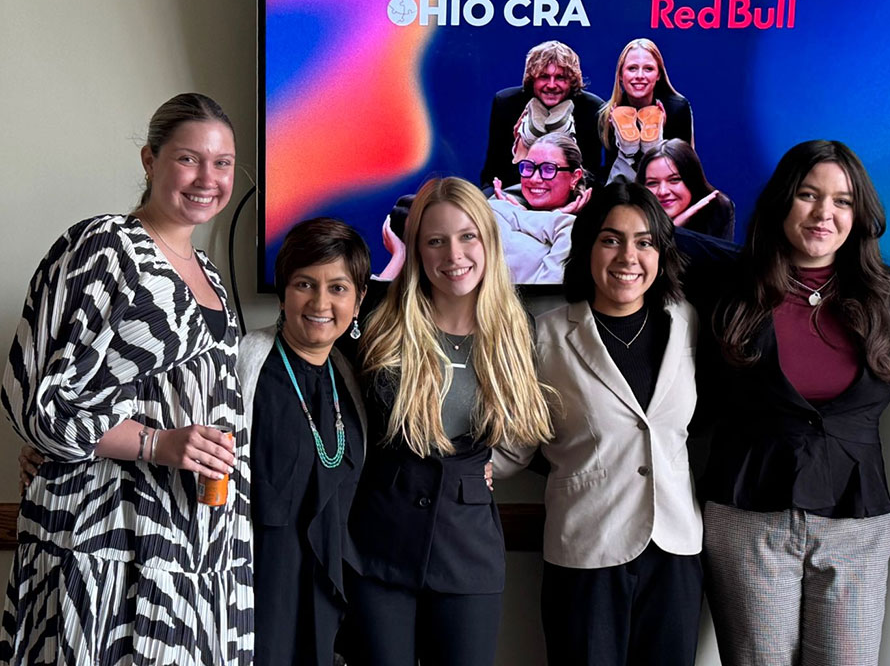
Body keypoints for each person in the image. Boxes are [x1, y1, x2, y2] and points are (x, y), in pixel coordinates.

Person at [0, 94, 252, 665]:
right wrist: (155, 443)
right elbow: (39, 403)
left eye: (223, 162)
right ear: (149, 160)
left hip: (194, 544)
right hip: (106, 540)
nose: (207, 178)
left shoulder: (208, 269)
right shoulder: (104, 247)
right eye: (189, 159)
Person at [701, 140, 890, 666]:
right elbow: (663, 237)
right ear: (780, 203)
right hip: (750, 514)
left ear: (859, 213)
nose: (825, 213)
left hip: (856, 518)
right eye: (807, 195)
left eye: (843, 201)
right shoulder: (730, 286)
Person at [343, 177, 554, 666]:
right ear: (416, 249)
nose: (453, 254)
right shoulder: (379, 319)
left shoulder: (517, 328)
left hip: (468, 552)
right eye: (434, 240)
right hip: (376, 547)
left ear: (489, 239)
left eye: (467, 236)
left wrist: (490, 468)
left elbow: (523, 427)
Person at [494, 180, 704, 666]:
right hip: (587, 548)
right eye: (611, 239)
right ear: (587, 246)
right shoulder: (545, 336)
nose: (628, 256)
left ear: (661, 252)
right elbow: (517, 445)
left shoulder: (688, 322)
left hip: (675, 549)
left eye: (645, 241)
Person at [242, 218, 370, 666]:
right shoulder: (243, 366)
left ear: (358, 300)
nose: (320, 302)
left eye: (338, 287)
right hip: (260, 588)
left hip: (332, 590)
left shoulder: (356, 380)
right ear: (282, 292)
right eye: (304, 284)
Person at [480, 40, 604, 186]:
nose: (551, 85)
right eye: (544, 77)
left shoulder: (592, 108)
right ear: (532, 79)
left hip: (572, 192)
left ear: (572, 81)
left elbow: (592, 174)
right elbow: (494, 169)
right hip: (515, 187)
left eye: (560, 78)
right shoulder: (506, 103)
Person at [490, 132, 592, 283]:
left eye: (549, 169)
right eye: (528, 167)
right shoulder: (500, 206)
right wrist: (552, 216)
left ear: (575, 177)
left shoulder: (593, 221)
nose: (534, 178)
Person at [598, 38, 694, 183]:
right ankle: (628, 148)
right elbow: (608, 170)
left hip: (665, 189)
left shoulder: (677, 109)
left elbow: (686, 166)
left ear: (658, 75)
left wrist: (662, 134)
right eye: (632, 68)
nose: (640, 76)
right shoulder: (607, 114)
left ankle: (654, 145)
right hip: (623, 190)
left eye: (648, 69)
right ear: (620, 75)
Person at [636, 138, 734, 240]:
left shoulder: (717, 208)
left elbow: (718, 255)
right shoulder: (630, 215)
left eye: (674, 180)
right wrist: (673, 228)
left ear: (693, 181)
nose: (663, 191)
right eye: (652, 183)